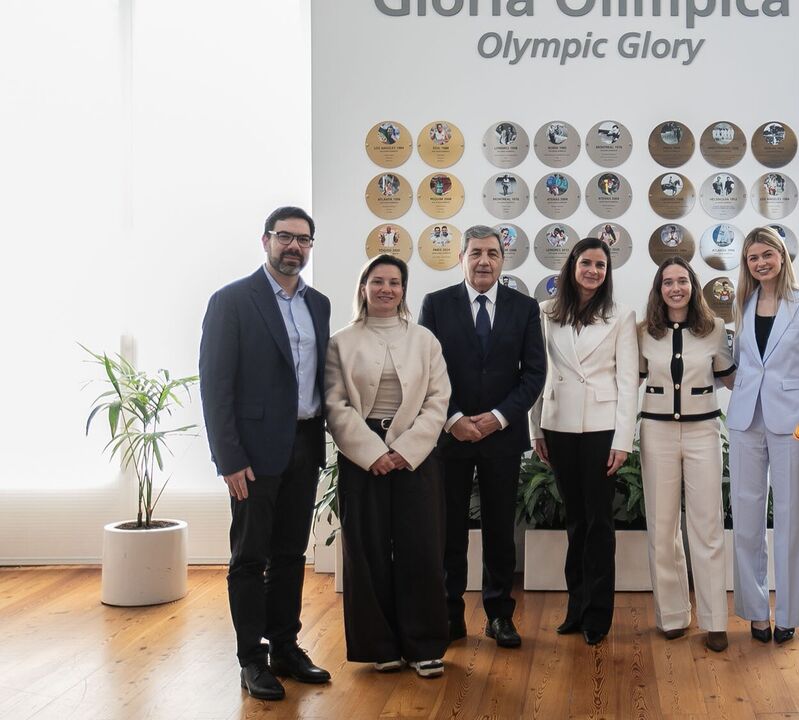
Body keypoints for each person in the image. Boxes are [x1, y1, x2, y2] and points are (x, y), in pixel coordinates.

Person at [199, 206, 332, 701]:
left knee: (291, 554)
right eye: (285, 237)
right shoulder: (233, 301)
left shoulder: (318, 304)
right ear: (266, 241)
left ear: (310, 247)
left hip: (304, 443)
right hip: (253, 454)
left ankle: (285, 648)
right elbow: (216, 386)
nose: (293, 246)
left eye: (302, 239)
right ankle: (251, 660)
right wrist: (228, 458)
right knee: (249, 558)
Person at [324, 254, 452, 678]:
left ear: (403, 290)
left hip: (416, 457)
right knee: (367, 549)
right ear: (363, 287)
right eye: (377, 281)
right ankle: (379, 645)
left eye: (394, 282)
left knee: (422, 548)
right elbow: (335, 403)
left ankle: (425, 645)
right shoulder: (341, 341)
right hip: (362, 459)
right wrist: (372, 452)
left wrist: (405, 450)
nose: (386, 289)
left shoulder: (424, 340)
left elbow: (438, 401)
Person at [419, 225, 546, 649]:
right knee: (449, 529)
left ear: (502, 260)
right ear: (461, 257)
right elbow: (428, 370)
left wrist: (497, 418)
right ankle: (449, 613)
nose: (484, 261)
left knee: (498, 530)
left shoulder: (524, 308)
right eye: (475, 253)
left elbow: (533, 374)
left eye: (492, 253)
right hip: (449, 436)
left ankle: (498, 615)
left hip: (501, 438)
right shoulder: (436, 305)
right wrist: (453, 418)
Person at [530, 237, 639, 646]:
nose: (593, 270)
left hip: (601, 428)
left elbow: (628, 383)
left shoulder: (620, 316)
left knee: (599, 524)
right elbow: (536, 374)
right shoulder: (545, 313)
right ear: (572, 265)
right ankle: (575, 608)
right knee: (574, 523)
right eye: (587, 262)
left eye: (601, 265)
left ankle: (598, 615)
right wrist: (536, 428)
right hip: (557, 425)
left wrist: (623, 439)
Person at [725, 226, 799, 644]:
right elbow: (740, 363)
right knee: (746, 519)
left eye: (768, 254)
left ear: (782, 257)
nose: (761, 262)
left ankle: (787, 614)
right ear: (747, 264)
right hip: (746, 420)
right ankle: (755, 612)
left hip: (792, 425)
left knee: (789, 521)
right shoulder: (742, 304)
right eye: (753, 258)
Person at [637, 257, 736, 652]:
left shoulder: (715, 330)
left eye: (682, 281)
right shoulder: (644, 333)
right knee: (662, 528)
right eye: (667, 283)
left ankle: (714, 620)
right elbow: (633, 379)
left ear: (693, 286)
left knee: (707, 525)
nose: (675, 288)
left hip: (702, 432)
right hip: (656, 432)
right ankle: (673, 615)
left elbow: (731, 378)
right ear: (658, 290)